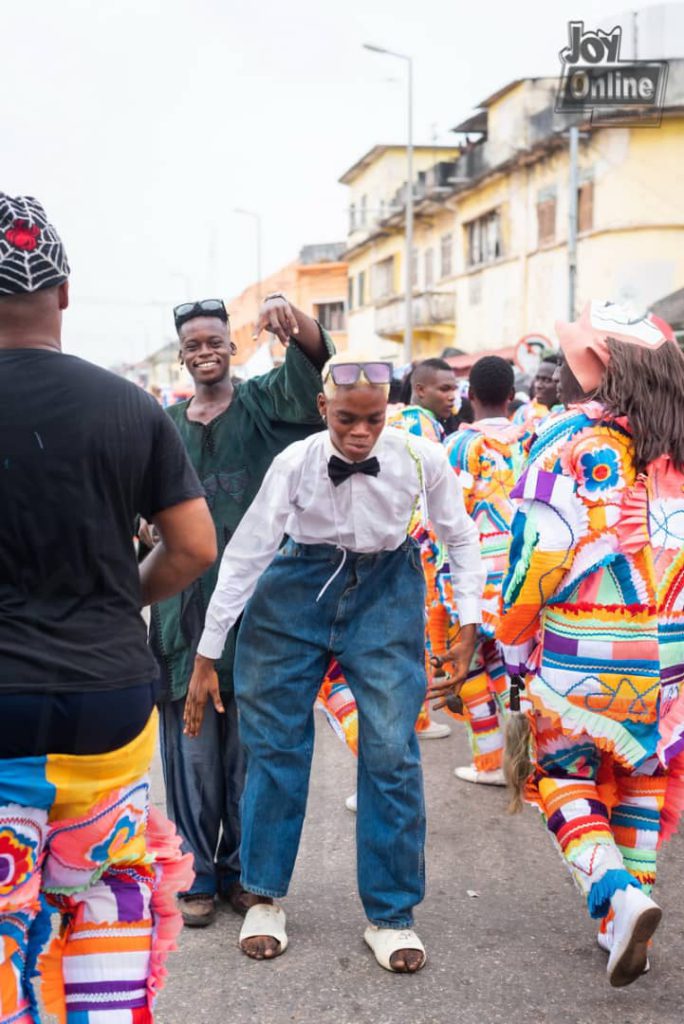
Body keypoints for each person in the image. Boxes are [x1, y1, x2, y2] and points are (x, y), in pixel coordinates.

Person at [184, 353, 485, 973]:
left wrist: (470, 619)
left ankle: (392, 914)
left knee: (391, 753)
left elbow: (459, 535)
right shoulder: (294, 463)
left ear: (389, 414)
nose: (359, 433)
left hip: (387, 589)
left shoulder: (419, 457)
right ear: (322, 410)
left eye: (373, 420)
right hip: (296, 587)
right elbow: (246, 554)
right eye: (346, 419)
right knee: (276, 748)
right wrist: (207, 652)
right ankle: (264, 896)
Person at [0, 192, 216, 1024]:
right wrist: (113, 597)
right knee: (101, 909)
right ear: (63, 293)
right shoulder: (132, 407)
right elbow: (194, 548)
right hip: (108, 706)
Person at [499, 301, 684, 988]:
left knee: (565, 775)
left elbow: (540, 551)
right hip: (673, 656)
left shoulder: (574, 438)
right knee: (643, 778)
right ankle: (625, 924)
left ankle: (618, 894)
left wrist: (513, 643)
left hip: (586, 650)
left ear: (592, 365)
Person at [145, 293, 333, 927]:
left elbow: (313, 372)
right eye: (193, 344)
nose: (205, 351)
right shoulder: (164, 425)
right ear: (182, 355)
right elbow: (138, 500)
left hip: (257, 608)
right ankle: (198, 871)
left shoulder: (262, 404)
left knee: (251, 748)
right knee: (191, 751)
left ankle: (247, 871)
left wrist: (295, 321)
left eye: (214, 341)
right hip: (182, 611)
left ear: (231, 347)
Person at [437, 356, 525, 784]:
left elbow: (442, 517)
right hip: (522, 577)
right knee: (515, 670)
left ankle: (489, 761)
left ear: (469, 395)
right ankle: (522, 759)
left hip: (470, 578)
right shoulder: (533, 440)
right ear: (512, 396)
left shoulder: (456, 446)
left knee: (467, 664)